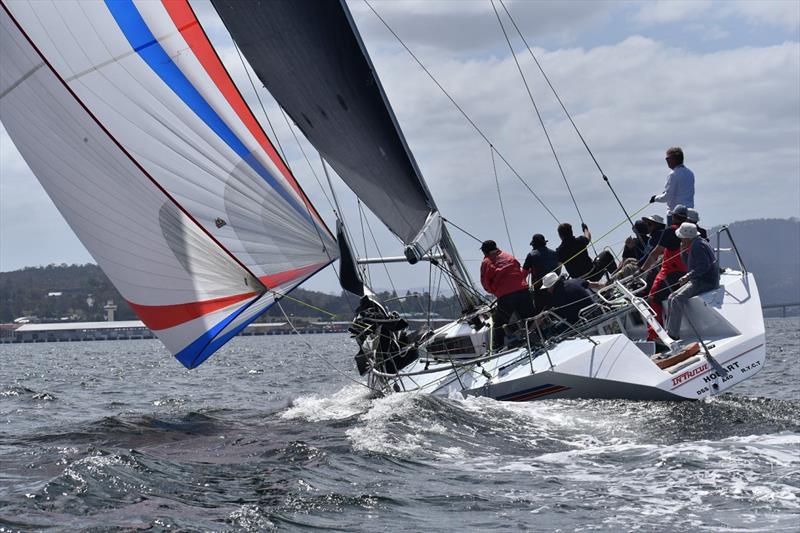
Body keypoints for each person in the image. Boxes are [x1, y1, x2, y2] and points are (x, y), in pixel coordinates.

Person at [640, 205, 690, 339]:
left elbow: (655, 253)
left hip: (672, 273)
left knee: (652, 298)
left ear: (673, 216)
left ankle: (655, 334)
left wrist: (641, 270)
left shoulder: (669, 231)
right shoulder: (690, 231)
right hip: (688, 273)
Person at [666, 223, 720, 339]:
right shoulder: (696, 243)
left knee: (676, 299)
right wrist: (684, 252)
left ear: (687, 237)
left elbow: (703, 266)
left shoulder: (698, 246)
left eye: (682, 238)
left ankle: (672, 335)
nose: (680, 239)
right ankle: (669, 331)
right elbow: (689, 264)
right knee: (671, 296)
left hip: (706, 281)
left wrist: (687, 276)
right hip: (698, 279)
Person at [480, 240, 535, 349]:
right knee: (530, 318)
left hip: (506, 297)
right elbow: (519, 269)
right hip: (523, 291)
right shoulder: (508, 256)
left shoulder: (486, 262)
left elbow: (485, 283)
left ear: (484, 252)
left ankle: (499, 348)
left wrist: (495, 291)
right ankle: (538, 338)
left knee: (500, 323)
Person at [649, 147, 695, 224]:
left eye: (667, 159)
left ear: (673, 159)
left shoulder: (673, 174)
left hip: (675, 215)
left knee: (673, 235)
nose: (666, 161)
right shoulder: (690, 173)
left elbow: (668, 196)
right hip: (689, 214)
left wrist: (655, 198)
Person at [522, 234, 561, 313]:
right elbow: (559, 268)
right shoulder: (554, 253)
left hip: (540, 290)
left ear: (533, 245)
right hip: (556, 285)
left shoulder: (531, 255)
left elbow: (523, 274)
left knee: (541, 312)